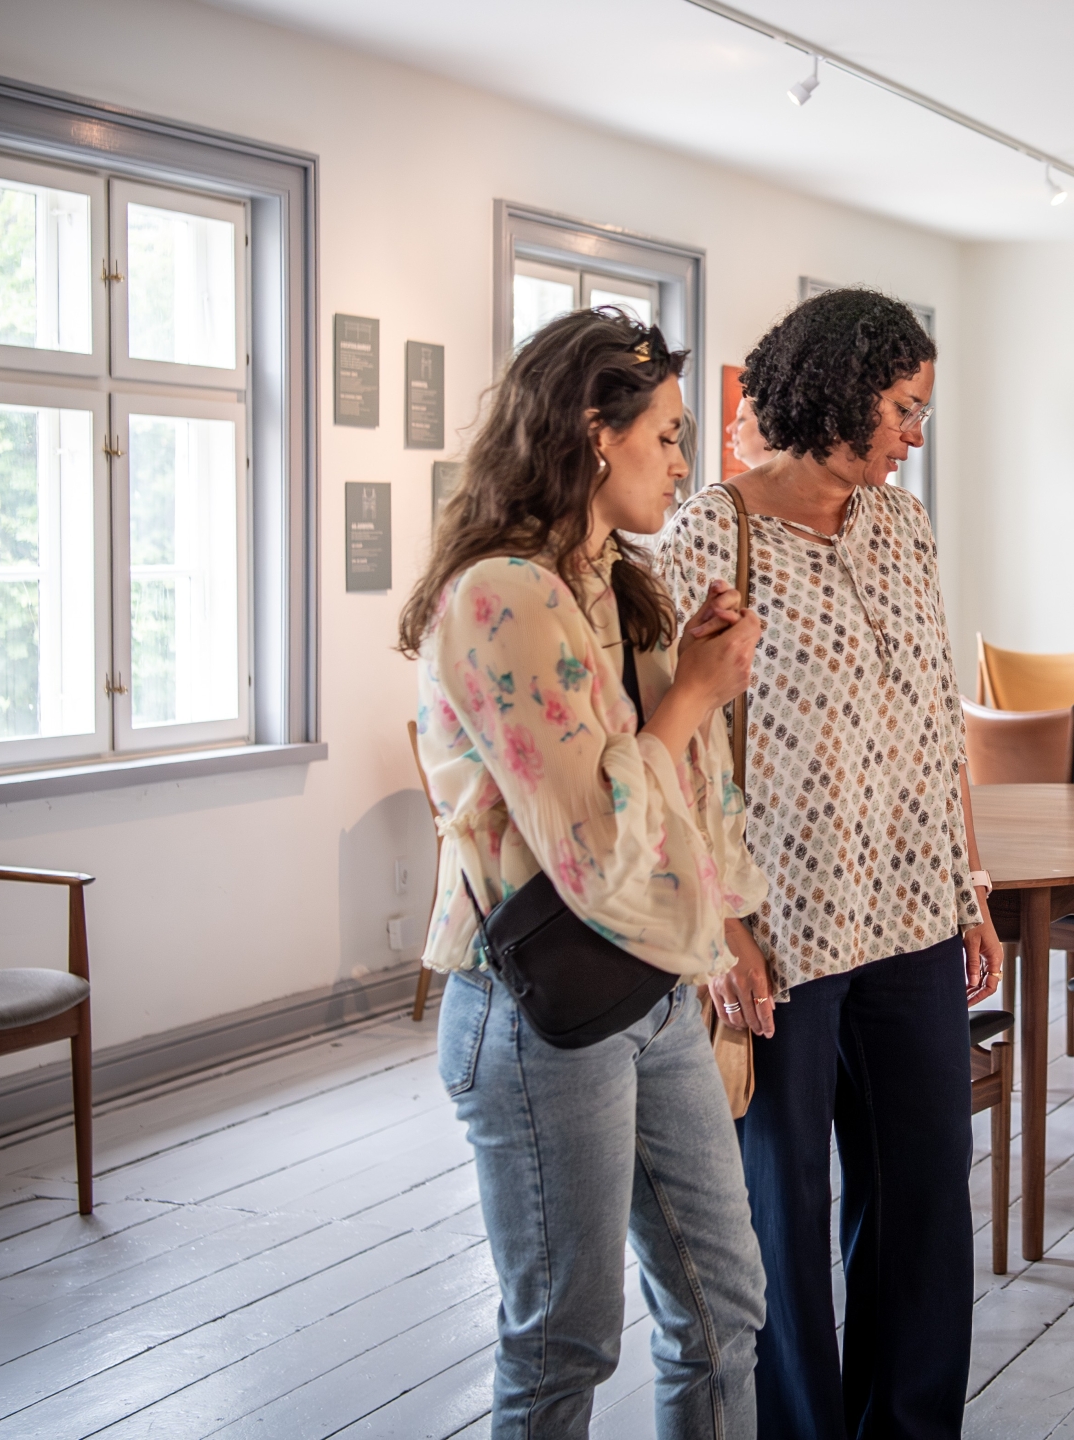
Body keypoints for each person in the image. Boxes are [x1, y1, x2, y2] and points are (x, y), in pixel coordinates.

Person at [399, 308, 772, 1439]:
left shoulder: (617, 584)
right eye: (662, 434)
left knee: (725, 1309)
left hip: (650, 987)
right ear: (589, 433)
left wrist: (729, 932)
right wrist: (694, 695)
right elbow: (596, 846)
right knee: (564, 1340)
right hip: (538, 1010)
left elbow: (681, 801)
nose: (680, 461)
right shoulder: (499, 598)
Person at [659, 287, 998, 1440]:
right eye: (904, 408)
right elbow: (681, 750)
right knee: (784, 1218)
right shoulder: (712, 536)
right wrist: (720, 927)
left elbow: (934, 722)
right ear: (843, 393)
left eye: (921, 413)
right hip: (782, 933)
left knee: (923, 1205)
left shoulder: (903, 527)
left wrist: (971, 887)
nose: (914, 435)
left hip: (911, 915)